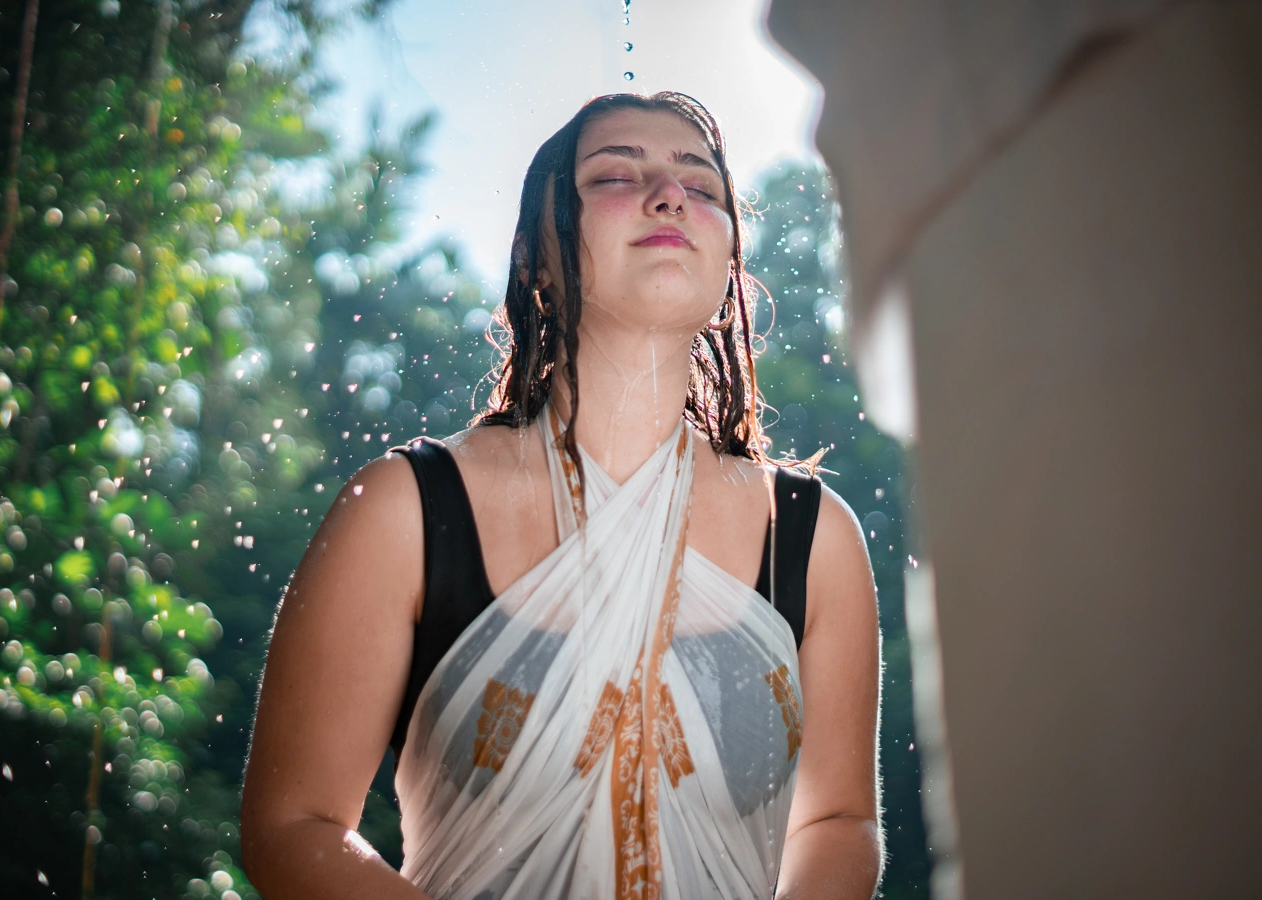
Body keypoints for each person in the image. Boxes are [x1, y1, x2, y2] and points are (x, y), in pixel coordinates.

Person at [240, 91, 883, 899]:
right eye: (616, 175)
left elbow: (838, 822)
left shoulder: (810, 535)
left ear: (728, 270)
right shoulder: (404, 509)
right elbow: (292, 826)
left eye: (702, 185)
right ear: (538, 256)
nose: (669, 194)